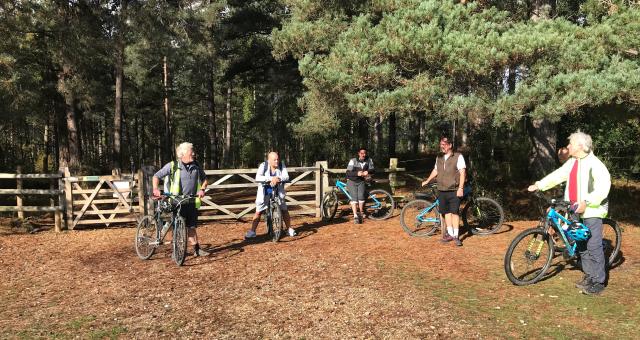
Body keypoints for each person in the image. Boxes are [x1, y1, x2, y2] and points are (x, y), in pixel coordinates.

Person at [528, 131, 611, 295]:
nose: (568, 147)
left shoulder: (595, 164)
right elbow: (558, 175)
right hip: (574, 210)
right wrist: (540, 184)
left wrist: (586, 203)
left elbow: (603, 188)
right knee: (581, 245)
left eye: (570, 144)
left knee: (593, 246)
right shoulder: (573, 162)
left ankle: (598, 281)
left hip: (592, 211)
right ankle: (589, 275)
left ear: (580, 146)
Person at [152, 142, 209, 257]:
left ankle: (196, 250)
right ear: (182, 153)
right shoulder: (172, 165)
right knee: (177, 226)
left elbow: (205, 180)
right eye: (191, 151)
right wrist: (155, 189)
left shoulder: (196, 166)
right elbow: (156, 176)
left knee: (192, 226)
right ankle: (176, 251)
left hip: (191, 201)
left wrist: (202, 189)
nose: (193, 153)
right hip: (175, 201)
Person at [422, 136, 466, 246]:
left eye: (444, 144)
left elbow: (462, 173)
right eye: (441, 144)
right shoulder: (439, 157)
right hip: (441, 189)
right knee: (446, 212)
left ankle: (456, 236)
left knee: (455, 213)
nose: (442, 146)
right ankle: (450, 234)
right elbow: (435, 170)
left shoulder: (458, 156)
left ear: (450, 145)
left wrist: (460, 188)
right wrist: (428, 180)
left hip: (454, 190)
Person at [245, 152, 296, 239]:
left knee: (284, 209)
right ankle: (252, 231)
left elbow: (286, 176)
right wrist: (271, 178)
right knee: (259, 211)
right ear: (269, 160)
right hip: (265, 190)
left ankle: (289, 229)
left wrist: (279, 178)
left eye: (277, 159)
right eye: (274, 160)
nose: (277, 161)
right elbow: (257, 177)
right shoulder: (263, 165)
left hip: (278, 189)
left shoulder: (281, 165)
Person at [346, 147, 375, 224]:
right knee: (354, 198)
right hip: (352, 181)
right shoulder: (353, 161)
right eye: (362, 153)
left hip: (361, 181)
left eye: (365, 153)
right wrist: (357, 173)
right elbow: (348, 173)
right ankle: (355, 216)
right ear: (359, 153)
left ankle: (361, 213)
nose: (363, 155)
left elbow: (373, 170)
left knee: (361, 197)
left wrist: (367, 171)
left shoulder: (369, 160)